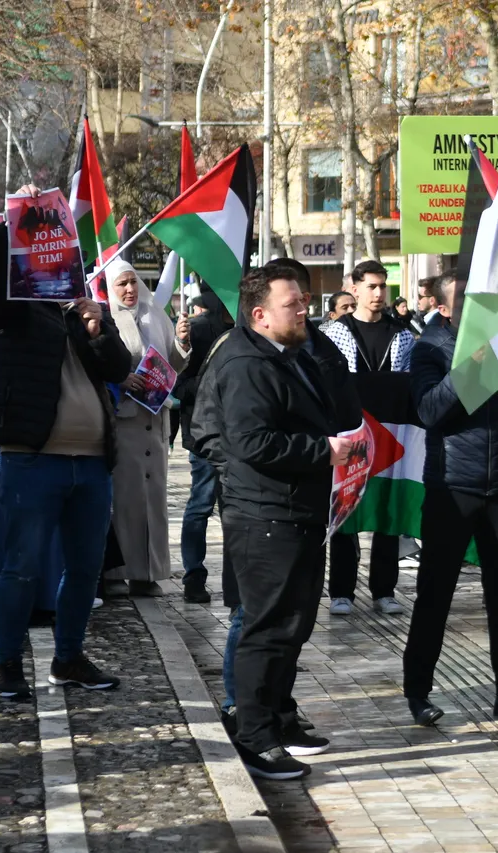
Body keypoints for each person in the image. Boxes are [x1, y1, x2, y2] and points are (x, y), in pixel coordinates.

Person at [206, 266, 355, 779]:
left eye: (306, 301)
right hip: (266, 516)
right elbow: (249, 443)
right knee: (266, 630)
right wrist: (323, 450)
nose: (305, 311)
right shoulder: (246, 362)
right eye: (293, 304)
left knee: (293, 627)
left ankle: (279, 719)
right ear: (260, 315)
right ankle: (255, 737)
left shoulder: (289, 354)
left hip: (298, 512)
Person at [0, 220, 131, 699]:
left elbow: (121, 368)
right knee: (21, 565)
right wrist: (13, 225)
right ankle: (6, 664)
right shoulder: (18, 310)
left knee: (84, 568)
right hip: (33, 459)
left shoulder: (85, 313)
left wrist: (98, 328)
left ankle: (68, 659)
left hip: (90, 462)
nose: (66, 268)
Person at [401, 272, 498, 726]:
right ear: (443, 309)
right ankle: (418, 691)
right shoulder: (430, 347)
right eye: (463, 300)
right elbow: (428, 411)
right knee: (435, 596)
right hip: (452, 488)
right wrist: (468, 368)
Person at [322, 259, 414, 615]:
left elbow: (409, 384)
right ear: (355, 288)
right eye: (371, 286)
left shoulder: (402, 334)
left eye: (382, 286)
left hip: (391, 433)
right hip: (350, 433)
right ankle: (341, 591)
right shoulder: (335, 333)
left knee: (388, 512)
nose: (378, 294)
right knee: (347, 508)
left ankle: (384, 589)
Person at [105, 260, 191, 597]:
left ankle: (148, 573)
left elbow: (171, 364)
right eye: (121, 284)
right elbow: (99, 363)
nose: (129, 290)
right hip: (124, 420)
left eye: (132, 282)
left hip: (155, 422)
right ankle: (116, 571)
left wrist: (182, 343)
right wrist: (121, 378)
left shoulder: (156, 313)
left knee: (153, 500)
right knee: (124, 498)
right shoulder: (105, 317)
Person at [176, 285, 234, 604]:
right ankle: (193, 576)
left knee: (235, 511)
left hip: (241, 436)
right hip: (204, 435)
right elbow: (176, 383)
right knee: (200, 504)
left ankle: (235, 579)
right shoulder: (197, 330)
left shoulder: (249, 328)